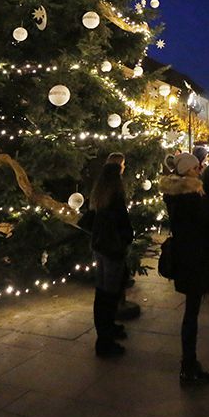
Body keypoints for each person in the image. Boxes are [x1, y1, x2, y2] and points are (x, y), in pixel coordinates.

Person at [161, 152, 209, 385]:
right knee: (191, 314)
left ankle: (189, 363)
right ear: (188, 171)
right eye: (196, 168)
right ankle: (189, 365)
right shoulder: (191, 197)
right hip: (195, 259)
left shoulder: (175, 195)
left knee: (191, 312)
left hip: (184, 258)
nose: (200, 170)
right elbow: (204, 225)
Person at [80, 153, 133, 358]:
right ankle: (105, 341)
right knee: (109, 294)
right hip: (112, 248)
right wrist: (127, 237)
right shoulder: (115, 194)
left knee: (103, 291)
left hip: (100, 246)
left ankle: (107, 329)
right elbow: (122, 220)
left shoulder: (99, 192)